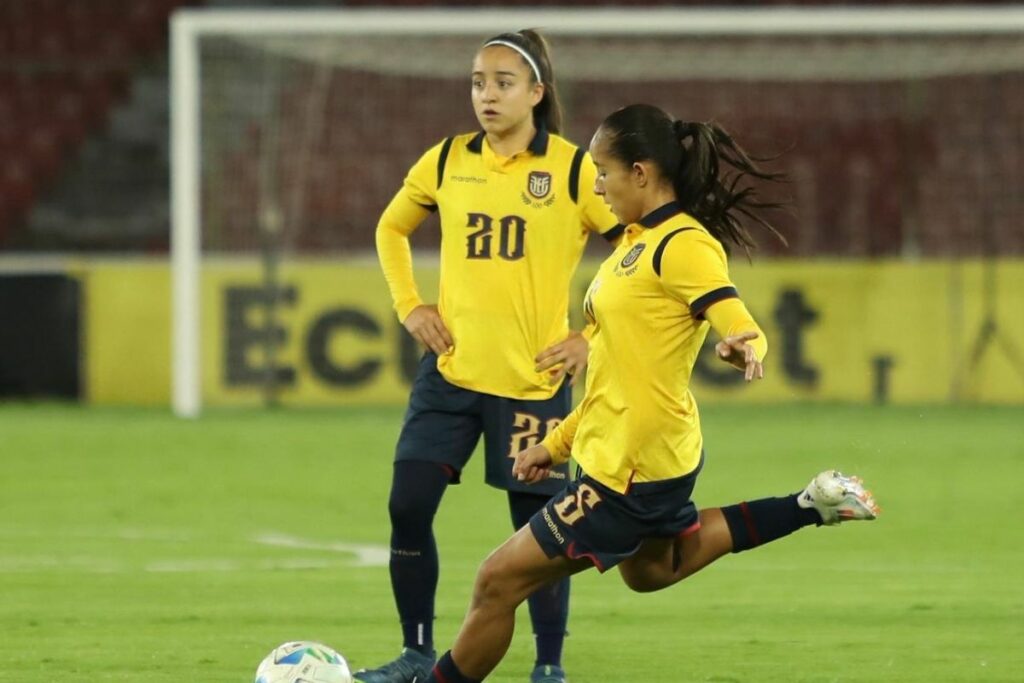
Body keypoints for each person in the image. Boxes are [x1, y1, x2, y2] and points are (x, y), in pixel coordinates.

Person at [423, 103, 881, 683]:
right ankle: (809, 504)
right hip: (645, 453)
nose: (596, 185)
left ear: (639, 173)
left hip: (631, 470)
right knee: (652, 571)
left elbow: (735, 316)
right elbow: (613, 373)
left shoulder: (683, 244)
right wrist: (557, 444)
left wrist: (745, 343)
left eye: (603, 171)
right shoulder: (634, 244)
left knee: (497, 581)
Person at [357, 30, 622, 683]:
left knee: (540, 532)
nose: (487, 95)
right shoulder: (447, 159)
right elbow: (391, 226)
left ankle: (548, 663)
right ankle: (417, 652)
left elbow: (636, 248)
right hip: (449, 374)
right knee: (407, 505)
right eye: (478, 82)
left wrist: (590, 335)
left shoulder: (571, 169)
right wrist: (409, 305)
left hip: (533, 382)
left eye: (503, 82)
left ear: (536, 93)